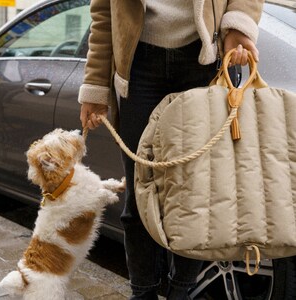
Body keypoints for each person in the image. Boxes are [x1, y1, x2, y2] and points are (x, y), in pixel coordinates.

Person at [78, 1, 264, 299]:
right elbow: (103, 13)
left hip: (202, 62)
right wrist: (95, 86)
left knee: (196, 198)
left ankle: (181, 293)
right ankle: (143, 294)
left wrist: (237, 26)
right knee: (139, 200)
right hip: (136, 66)